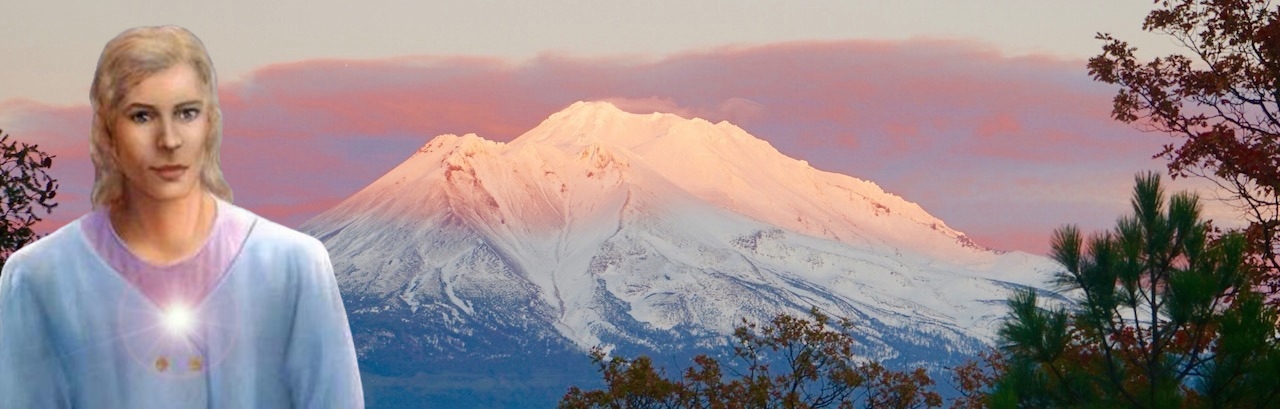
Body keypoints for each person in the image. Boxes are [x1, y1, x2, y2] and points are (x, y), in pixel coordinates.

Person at [0, 26, 364, 408]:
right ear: (107, 130)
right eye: (142, 116)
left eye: (186, 113)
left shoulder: (295, 267)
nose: (169, 139)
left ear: (210, 123)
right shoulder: (38, 278)